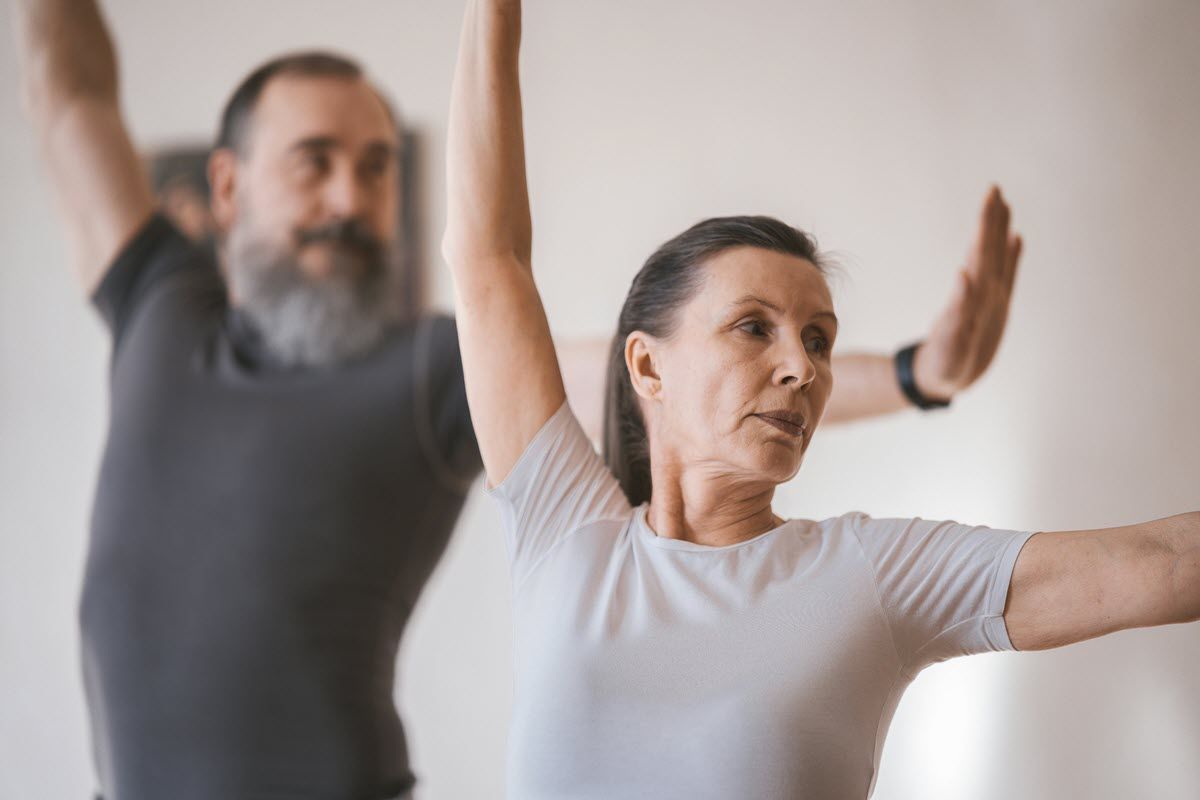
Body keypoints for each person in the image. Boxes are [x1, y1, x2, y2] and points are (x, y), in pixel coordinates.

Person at [15, 0, 1023, 797]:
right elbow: (69, 96)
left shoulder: (425, 370)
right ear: (226, 188)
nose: (351, 199)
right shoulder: (159, 302)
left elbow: (680, 381)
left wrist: (910, 376)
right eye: (314, 163)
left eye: (376, 169)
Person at [443, 1, 1200, 798]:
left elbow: (1167, 565)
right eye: (751, 327)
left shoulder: (869, 575)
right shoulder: (568, 535)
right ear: (647, 365)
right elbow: (489, 258)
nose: (801, 368)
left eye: (818, 339)